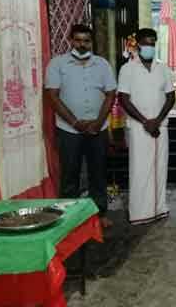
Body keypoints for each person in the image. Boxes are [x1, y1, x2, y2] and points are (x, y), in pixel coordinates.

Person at [45, 24, 116, 227]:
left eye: (86, 41)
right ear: (71, 41)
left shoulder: (102, 64)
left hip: (98, 128)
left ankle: (99, 214)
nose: (82, 45)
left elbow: (111, 94)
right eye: (78, 40)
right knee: (70, 174)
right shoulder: (57, 64)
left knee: (98, 173)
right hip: (68, 130)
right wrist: (75, 122)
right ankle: (70, 218)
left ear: (91, 42)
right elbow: (52, 96)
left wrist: (99, 122)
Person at [118, 28, 175, 225]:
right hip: (138, 127)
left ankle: (159, 208)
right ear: (138, 44)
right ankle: (140, 212)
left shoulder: (163, 68)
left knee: (160, 167)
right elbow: (124, 99)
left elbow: (170, 97)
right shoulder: (128, 69)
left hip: (160, 126)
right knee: (140, 169)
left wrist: (157, 120)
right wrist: (145, 121)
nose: (149, 46)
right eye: (146, 43)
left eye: (152, 43)